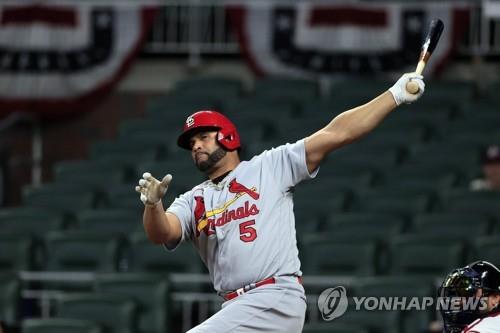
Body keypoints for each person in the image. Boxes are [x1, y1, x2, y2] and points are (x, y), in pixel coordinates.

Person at [135, 72, 425, 332]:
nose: (196, 145)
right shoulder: (193, 199)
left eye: (203, 137)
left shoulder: (268, 167)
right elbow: (161, 233)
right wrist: (153, 205)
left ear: (228, 137)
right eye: (191, 143)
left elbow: (336, 133)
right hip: (238, 308)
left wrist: (394, 95)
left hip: (273, 296)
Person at [438, 261, 500, 333]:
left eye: (469, 293)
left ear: (495, 298)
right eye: (458, 294)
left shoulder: (483, 328)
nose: (459, 301)